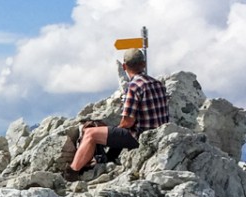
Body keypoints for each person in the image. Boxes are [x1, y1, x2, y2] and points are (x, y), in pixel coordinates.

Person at [64, 47, 168, 181]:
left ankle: (72, 171)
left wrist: (115, 132)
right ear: (143, 64)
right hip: (158, 135)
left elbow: (128, 122)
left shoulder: (134, 86)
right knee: (107, 131)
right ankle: (105, 159)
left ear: (124, 66)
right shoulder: (158, 84)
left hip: (139, 137)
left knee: (91, 133)